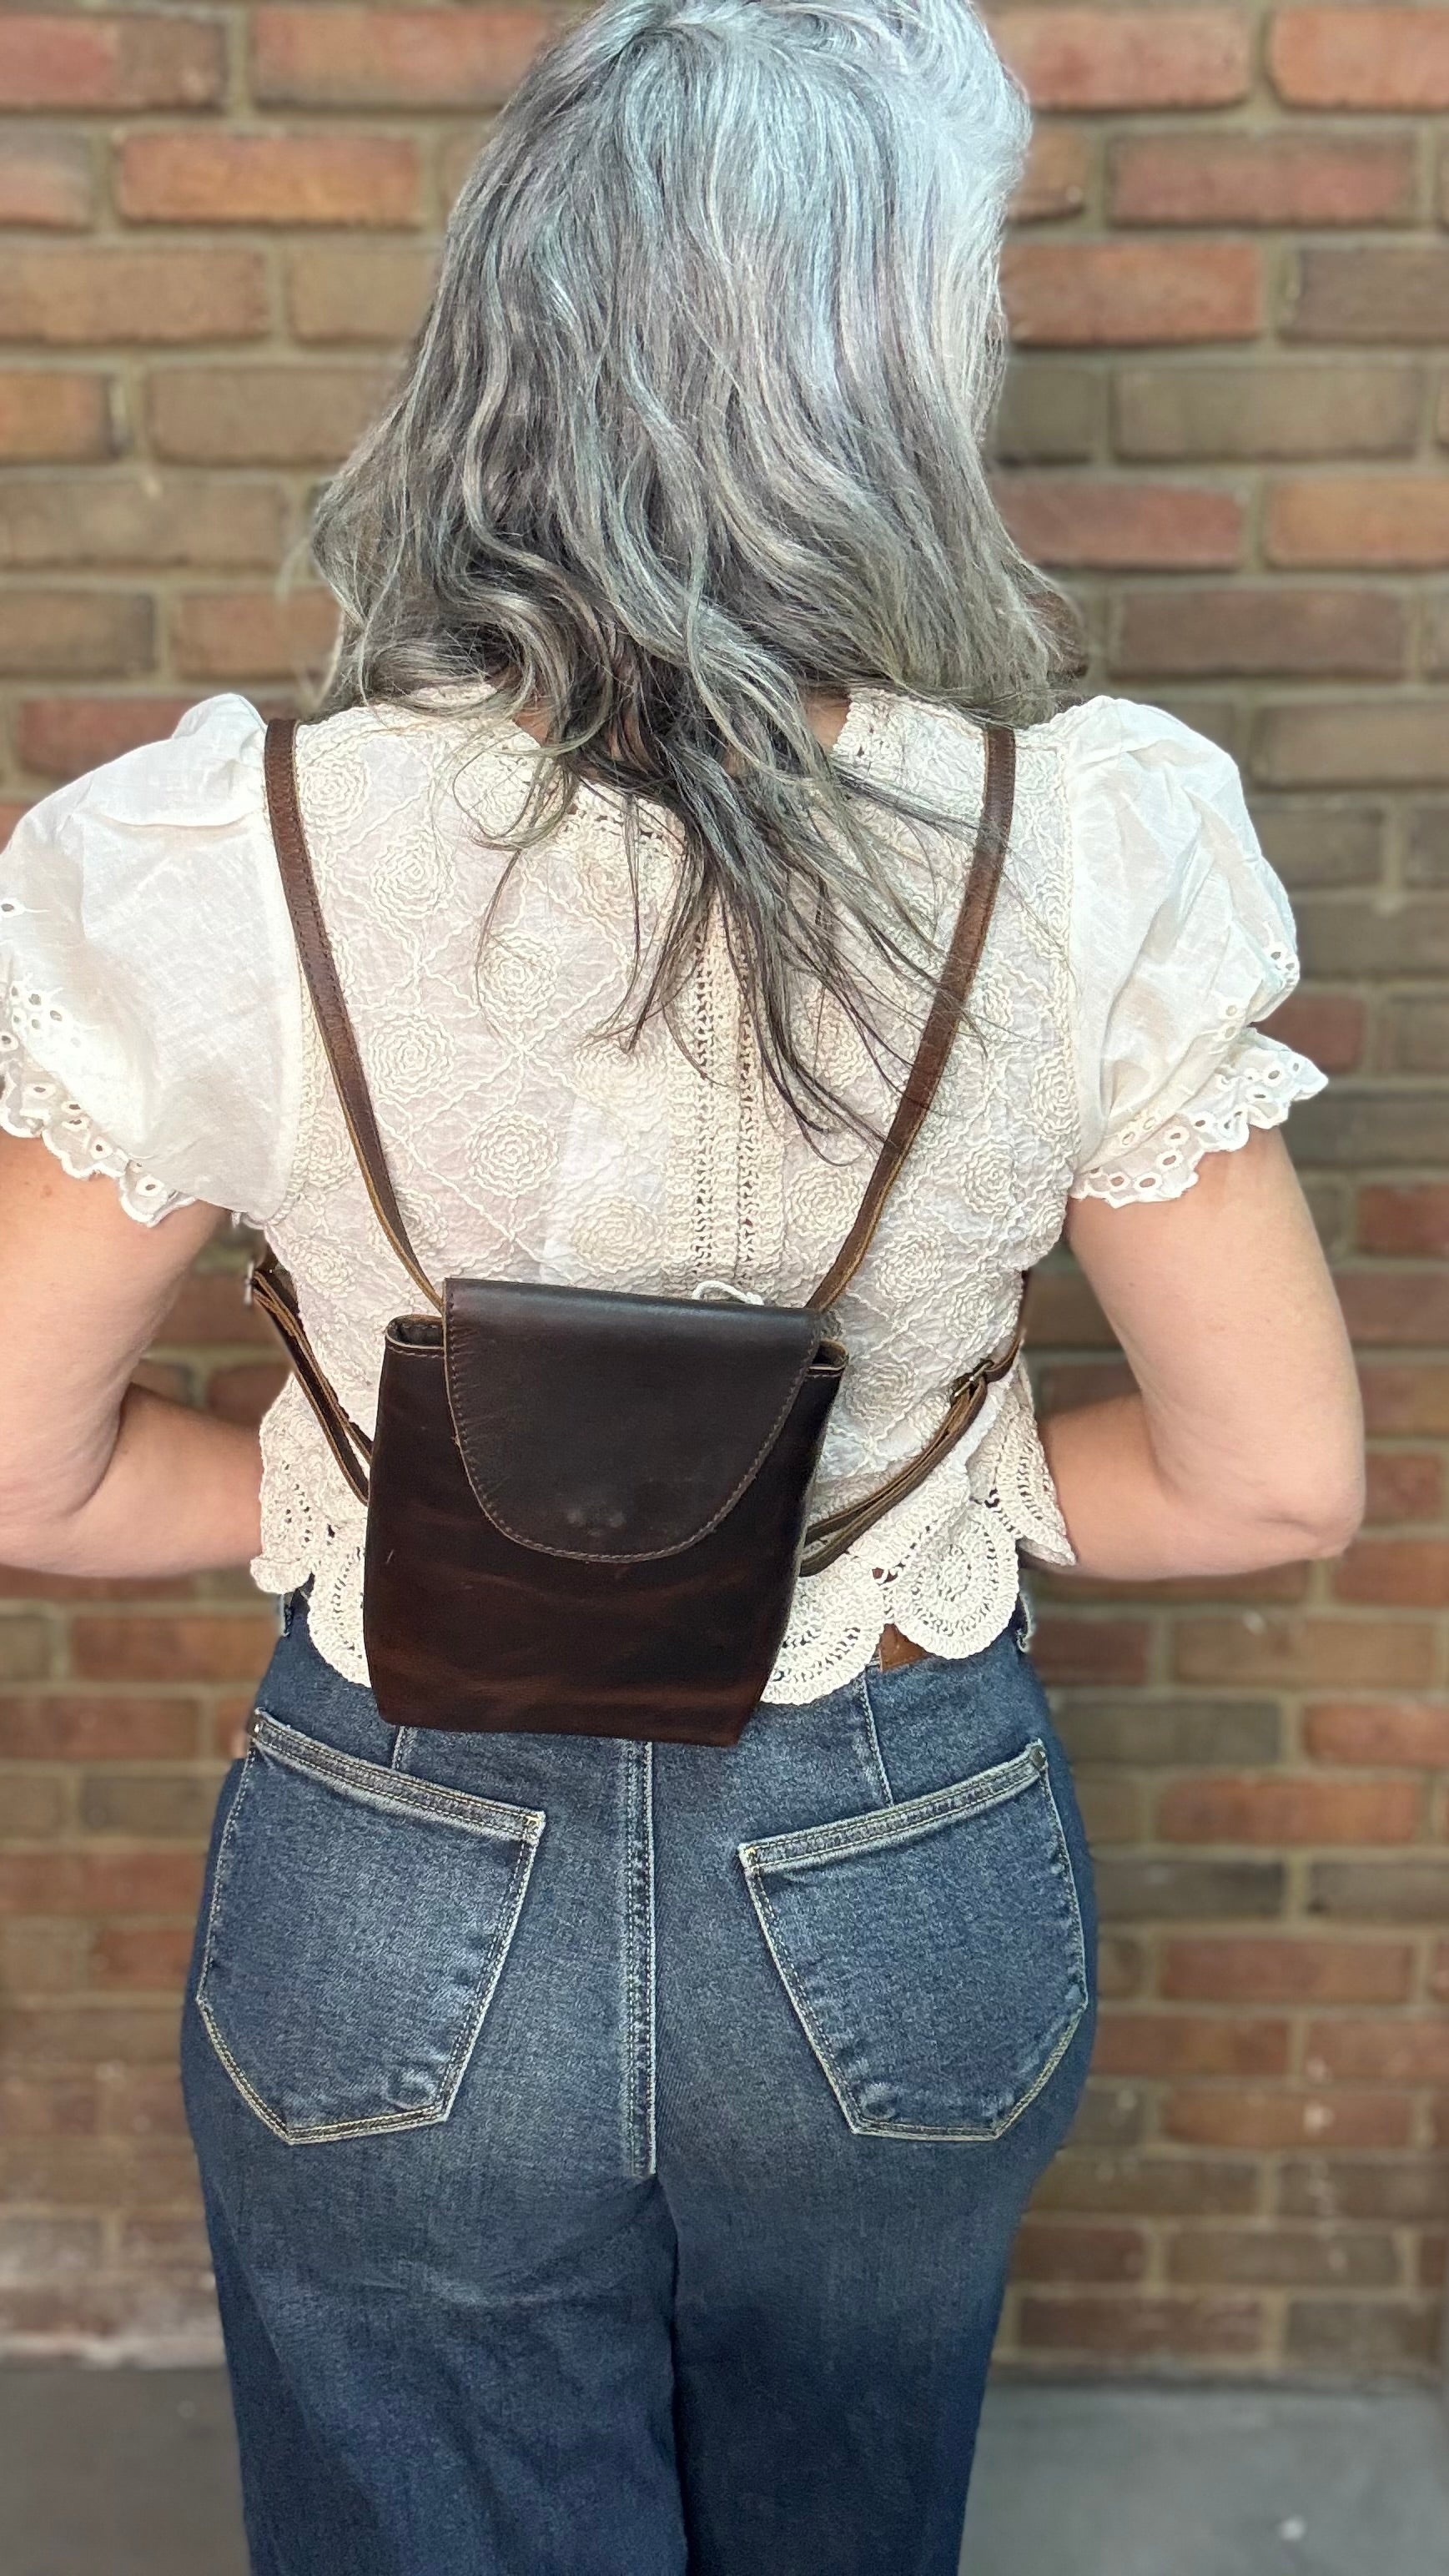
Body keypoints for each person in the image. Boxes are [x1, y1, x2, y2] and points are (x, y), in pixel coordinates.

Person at [0, 2, 1365, 2569]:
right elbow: (1270, 1483)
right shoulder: (1083, 854)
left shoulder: (232, 855)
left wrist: (362, 1482)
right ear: (890, 360)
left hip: (396, 1857)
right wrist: (892, 1504)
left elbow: (25, 1482)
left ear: (501, 331)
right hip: (893, 1866)